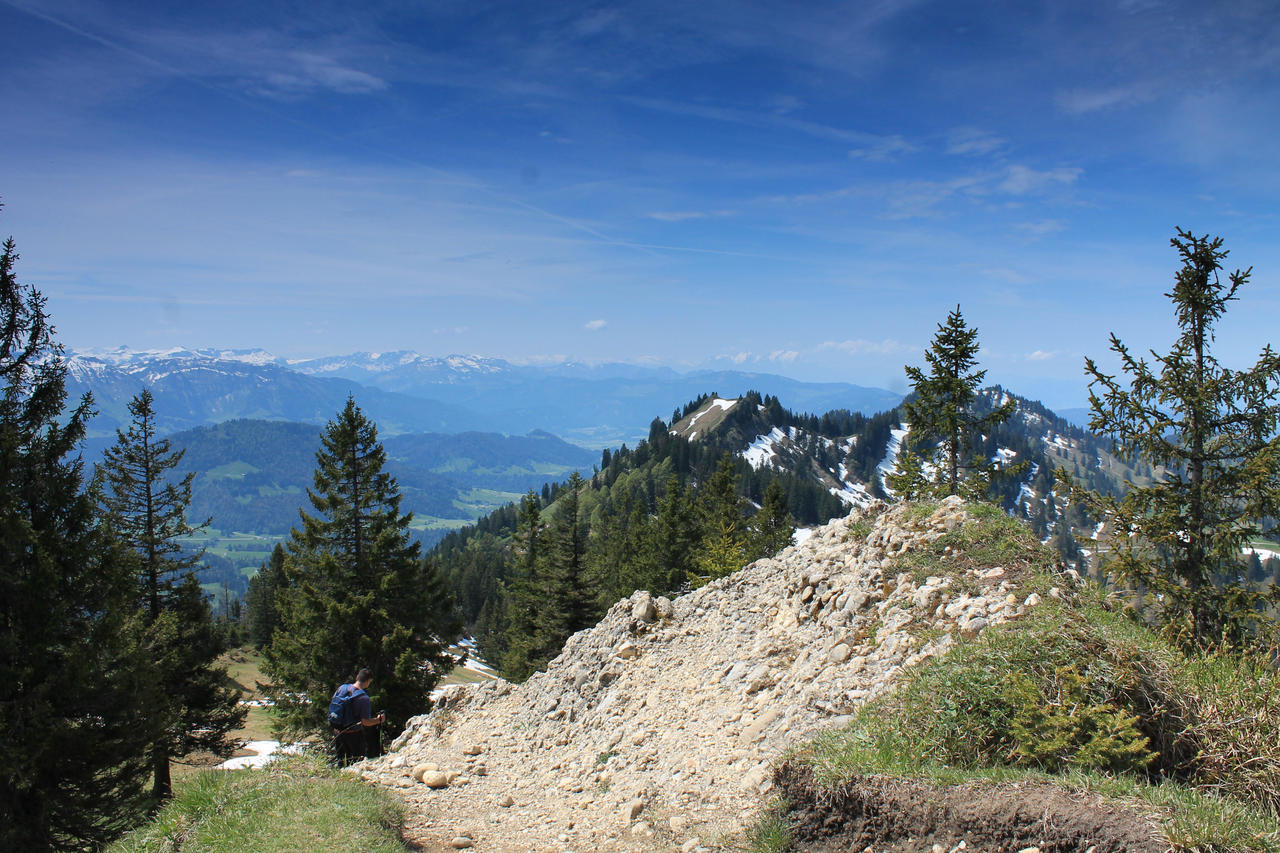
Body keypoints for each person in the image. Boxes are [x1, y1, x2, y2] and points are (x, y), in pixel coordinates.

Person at [331, 668, 386, 764]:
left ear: (357, 677)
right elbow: (366, 722)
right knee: (356, 761)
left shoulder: (342, 688)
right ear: (368, 681)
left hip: (338, 731)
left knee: (341, 761)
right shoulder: (363, 698)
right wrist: (379, 720)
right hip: (353, 733)